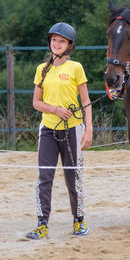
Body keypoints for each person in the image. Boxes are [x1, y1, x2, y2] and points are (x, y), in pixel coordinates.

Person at [26, 22, 93, 239]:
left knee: (73, 177)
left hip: (72, 130)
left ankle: (79, 221)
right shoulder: (42, 69)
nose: (56, 43)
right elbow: (36, 102)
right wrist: (54, 109)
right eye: (54, 40)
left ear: (69, 45)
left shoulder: (76, 68)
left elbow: (86, 102)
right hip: (48, 130)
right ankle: (42, 223)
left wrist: (89, 129)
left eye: (61, 41)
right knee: (44, 177)